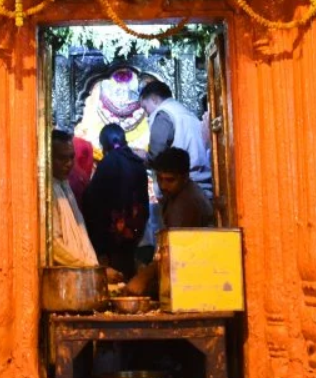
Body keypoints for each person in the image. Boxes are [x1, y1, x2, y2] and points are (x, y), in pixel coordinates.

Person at [124, 147, 214, 296]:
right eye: (159, 179)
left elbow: (175, 250)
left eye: (170, 180)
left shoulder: (187, 202)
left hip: (195, 281)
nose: (163, 185)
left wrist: (144, 277)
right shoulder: (176, 195)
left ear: (185, 177)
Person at [81, 124, 149, 278]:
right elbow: (143, 205)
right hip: (133, 235)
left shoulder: (108, 163)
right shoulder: (138, 163)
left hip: (110, 239)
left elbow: (94, 202)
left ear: (103, 145)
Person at [139, 81, 212, 197]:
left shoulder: (163, 114)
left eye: (145, 107)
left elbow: (156, 155)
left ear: (154, 99)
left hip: (182, 188)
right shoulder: (184, 112)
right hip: (200, 184)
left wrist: (140, 156)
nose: (146, 114)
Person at [50, 130, 98, 267]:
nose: (69, 163)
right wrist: (89, 266)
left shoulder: (65, 185)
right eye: (62, 158)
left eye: (71, 157)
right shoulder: (46, 191)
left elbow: (81, 235)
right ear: (48, 157)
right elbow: (54, 245)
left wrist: (93, 266)